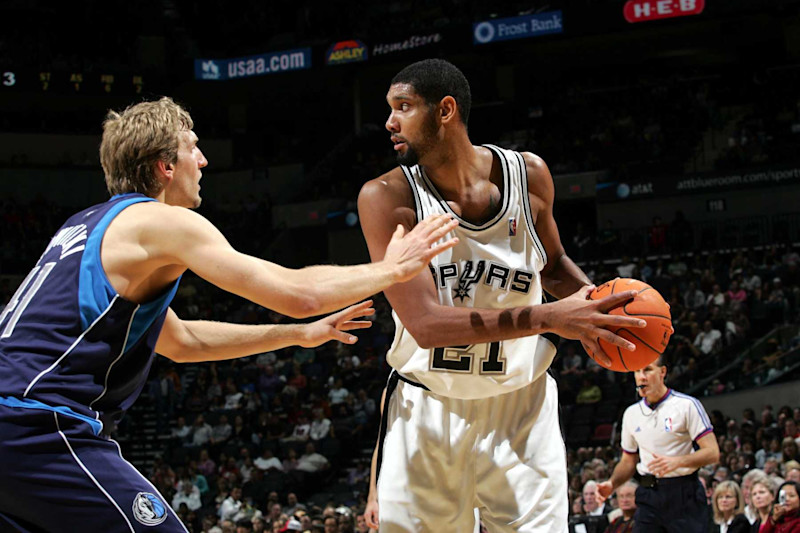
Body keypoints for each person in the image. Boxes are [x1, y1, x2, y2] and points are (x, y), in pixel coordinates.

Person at [0, 97, 459, 532]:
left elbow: (180, 342)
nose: (202, 162)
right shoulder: (159, 222)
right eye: (193, 148)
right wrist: (392, 269)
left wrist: (298, 335)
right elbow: (297, 292)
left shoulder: (84, 225)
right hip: (36, 424)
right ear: (165, 167)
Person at [358, 59, 647, 532]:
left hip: (521, 409)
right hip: (429, 411)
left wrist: (607, 310)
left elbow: (551, 266)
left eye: (403, 107)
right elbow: (427, 325)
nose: (390, 122)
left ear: (445, 110)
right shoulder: (387, 197)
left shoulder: (527, 174)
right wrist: (551, 318)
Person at [597, 355, 720, 532]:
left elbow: (712, 452)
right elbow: (628, 461)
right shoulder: (631, 414)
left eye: (647, 369)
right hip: (649, 494)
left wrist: (677, 462)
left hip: (684, 492)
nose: (642, 376)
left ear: (662, 372)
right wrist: (612, 483)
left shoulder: (686, 405)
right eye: (637, 371)